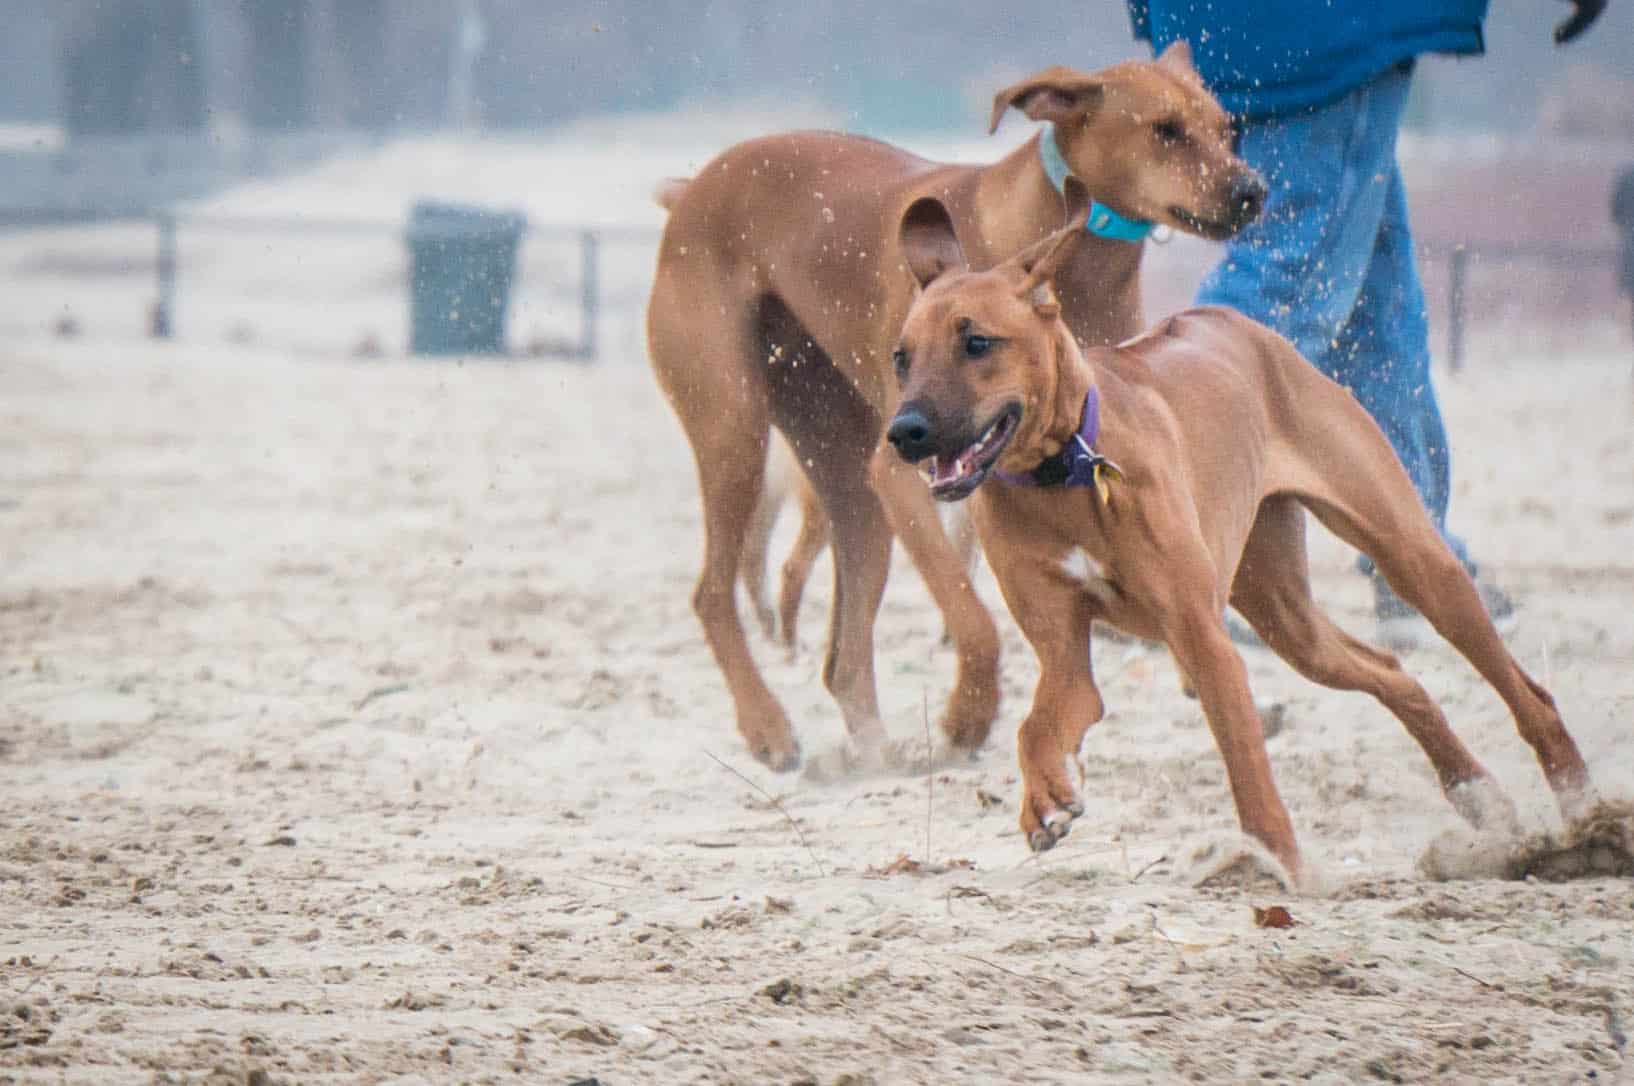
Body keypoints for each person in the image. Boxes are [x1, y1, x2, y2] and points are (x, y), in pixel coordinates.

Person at [1125, 0, 1605, 646]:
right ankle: (1155, 552)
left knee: (1369, 302)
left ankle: (1414, 566)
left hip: (1258, 25)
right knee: (1294, 275)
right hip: (1330, 28)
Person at [1615, 163, 1634, 360]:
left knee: (1628, 293)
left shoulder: (1627, 177)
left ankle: (1626, 338)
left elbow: (1615, 212)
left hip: (1630, 242)